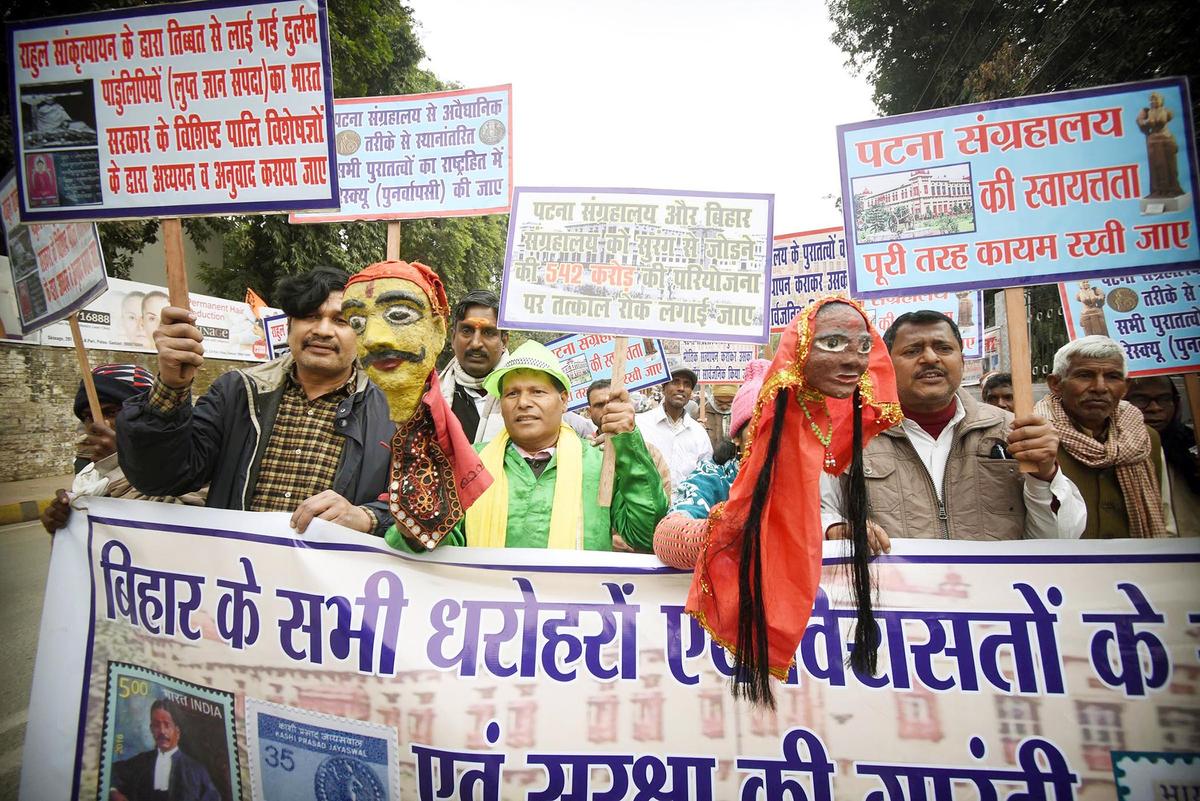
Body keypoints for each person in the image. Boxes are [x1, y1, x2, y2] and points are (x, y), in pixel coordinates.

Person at [685, 298, 902, 706]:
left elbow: (815, 518)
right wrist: (730, 535)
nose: (853, 360)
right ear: (738, 435)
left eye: (863, 347)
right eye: (834, 342)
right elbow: (667, 533)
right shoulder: (710, 480)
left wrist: (828, 530)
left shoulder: (829, 466)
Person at [117, 267, 395, 535]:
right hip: (237, 576)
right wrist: (171, 386)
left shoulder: (394, 414)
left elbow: (426, 509)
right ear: (289, 326)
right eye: (310, 316)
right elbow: (161, 478)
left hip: (330, 580)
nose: (322, 330)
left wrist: (367, 518)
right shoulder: (236, 392)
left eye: (341, 320)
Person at [822, 310, 1086, 546]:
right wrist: (837, 529)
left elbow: (1061, 538)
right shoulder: (850, 436)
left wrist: (1045, 475)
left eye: (943, 348)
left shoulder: (1013, 430)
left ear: (961, 358)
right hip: (896, 597)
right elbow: (817, 514)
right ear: (887, 365)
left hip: (997, 594)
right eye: (912, 350)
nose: (930, 358)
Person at [384, 341, 668, 552]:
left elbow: (645, 535)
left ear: (564, 400)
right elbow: (442, 545)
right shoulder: (470, 462)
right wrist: (416, 528)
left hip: (576, 625)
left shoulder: (598, 464)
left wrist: (627, 442)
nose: (523, 403)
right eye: (512, 393)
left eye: (538, 392)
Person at [340, 261, 490, 549]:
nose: (373, 339)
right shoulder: (354, 408)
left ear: (437, 332)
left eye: (398, 315)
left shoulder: (435, 418)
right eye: (356, 323)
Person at [42, 365, 206, 534]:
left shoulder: (190, 463)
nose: (97, 425)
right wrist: (65, 524)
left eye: (111, 412)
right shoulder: (88, 476)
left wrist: (117, 465)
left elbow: (181, 531)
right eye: (88, 417)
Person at [1039, 337, 1173, 538]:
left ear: (1125, 387)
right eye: (1085, 375)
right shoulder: (1034, 438)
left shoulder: (1145, 439)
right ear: (1056, 384)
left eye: (1112, 377)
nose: (1100, 387)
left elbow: (1165, 513)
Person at [653, 359, 768, 567]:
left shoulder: (808, 476)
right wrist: (724, 533)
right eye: (761, 428)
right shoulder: (716, 478)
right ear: (737, 438)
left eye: (784, 427)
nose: (775, 438)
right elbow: (667, 535)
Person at [1127, 376, 1199, 534]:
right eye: (1141, 399)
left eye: (1164, 399)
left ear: (1177, 402)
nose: (1154, 408)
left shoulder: (1192, 444)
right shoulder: (1116, 452)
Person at [110, 700, 219, 801]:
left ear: (177, 731)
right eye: (157, 725)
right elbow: (110, 773)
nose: (162, 731)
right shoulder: (141, 762)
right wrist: (114, 793)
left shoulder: (197, 771)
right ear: (151, 729)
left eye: (167, 725)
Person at [439, 289, 510, 444]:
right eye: (467, 331)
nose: (476, 343)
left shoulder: (523, 397)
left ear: (504, 341)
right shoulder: (430, 396)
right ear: (453, 338)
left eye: (488, 332)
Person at [636, 364, 713, 486]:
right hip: (648, 503)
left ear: (691, 393)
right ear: (664, 388)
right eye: (675, 382)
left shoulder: (699, 433)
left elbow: (706, 475)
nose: (681, 388)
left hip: (686, 504)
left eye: (687, 384)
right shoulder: (640, 425)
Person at [700, 384, 737, 452]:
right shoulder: (702, 412)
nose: (724, 407)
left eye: (729, 403)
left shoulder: (741, 412)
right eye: (720, 402)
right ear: (713, 397)